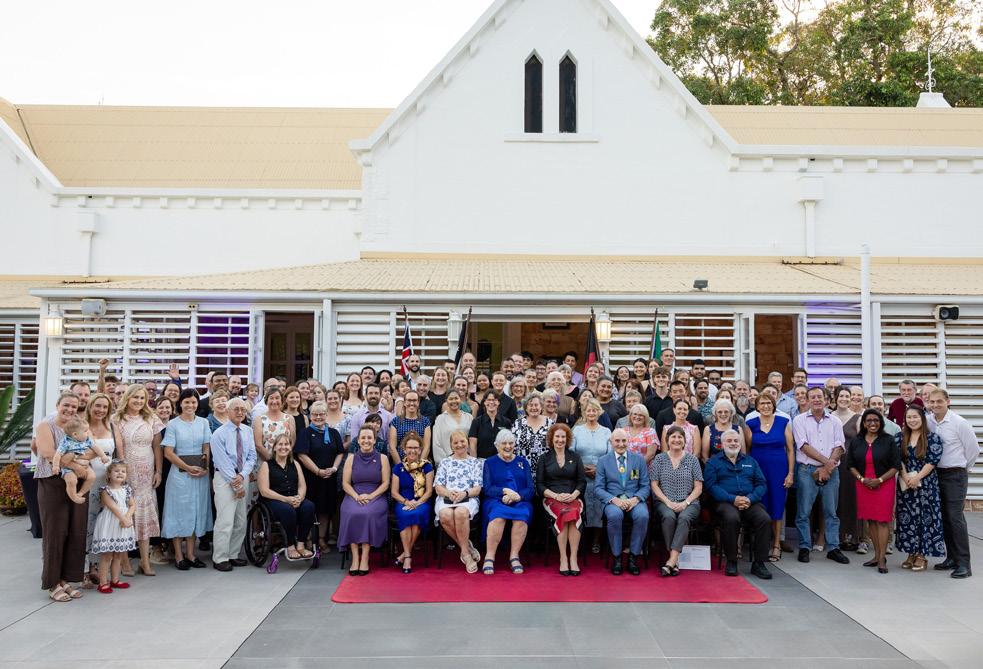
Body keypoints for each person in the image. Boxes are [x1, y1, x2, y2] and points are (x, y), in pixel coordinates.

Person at [34, 392, 87, 602]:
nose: (70, 409)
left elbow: (89, 448)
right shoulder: (45, 426)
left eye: (74, 406)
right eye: (66, 405)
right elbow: (48, 453)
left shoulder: (78, 426)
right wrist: (76, 465)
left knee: (75, 531)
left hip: (76, 482)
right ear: (58, 405)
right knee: (55, 533)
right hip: (52, 481)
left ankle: (66, 579)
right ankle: (52, 582)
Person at [791, 387, 850, 565]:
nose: (816, 400)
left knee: (831, 512)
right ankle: (804, 547)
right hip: (807, 471)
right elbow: (803, 446)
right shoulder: (799, 420)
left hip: (831, 472)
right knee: (803, 511)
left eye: (820, 397)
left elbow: (839, 445)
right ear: (808, 400)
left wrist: (828, 467)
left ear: (826, 400)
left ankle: (833, 548)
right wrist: (827, 463)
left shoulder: (835, 421)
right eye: (813, 397)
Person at [704, 430, 773, 579]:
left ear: (740, 443)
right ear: (722, 444)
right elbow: (711, 486)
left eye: (736, 441)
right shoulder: (713, 462)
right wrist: (732, 499)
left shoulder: (751, 461)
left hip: (750, 502)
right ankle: (732, 561)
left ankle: (759, 563)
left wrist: (750, 498)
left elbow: (761, 484)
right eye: (729, 441)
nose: (733, 443)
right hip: (725, 503)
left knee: (764, 519)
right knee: (731, 518)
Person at [113, 385, 165, 576]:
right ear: (127, 398)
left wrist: (158, 471)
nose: (138, 401)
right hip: (127, 470)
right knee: (126, 513)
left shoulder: (152, 418)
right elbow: (119, 448)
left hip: (147, 471)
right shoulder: (117, 419)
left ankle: (145, 561)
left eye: (142, 398)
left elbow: (157, 446)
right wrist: (122, 472)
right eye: (135, 397)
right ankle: (125, 561)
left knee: (144, 516)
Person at [926, 389, 978, 579]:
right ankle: (952, 558)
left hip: (955, 474)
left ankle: (964, 564)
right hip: (935, 474)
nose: (935, 405)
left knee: (955, 518)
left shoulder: (959, 423)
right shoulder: (929, 421)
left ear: (948, 401)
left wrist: (963, 468)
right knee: (944, 517)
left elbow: (973, 450)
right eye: (932, 402)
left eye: (939, 401)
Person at [847, 409, 901, 573]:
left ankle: (882, 559)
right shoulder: (857, 441)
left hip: (884, 483)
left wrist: (879, 480)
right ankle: (877, 556)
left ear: (881, 423)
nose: (872, 423)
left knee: (882, 521)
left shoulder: (888, 440)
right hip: (863, 484)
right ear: (864, 423)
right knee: (870, 520)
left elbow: (895, 465)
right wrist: (862, 479)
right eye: (869, 420)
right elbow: (850, 464)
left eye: (876, 420)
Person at [895, 406, 945, 572]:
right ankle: (911, 553)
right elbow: (897, 459)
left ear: (922, 418)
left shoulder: (932, 438)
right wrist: (905, 476)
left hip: (926, 485)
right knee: (908, 519)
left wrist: (917, 478)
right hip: (906, 485)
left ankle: (922, 555)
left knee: (926, 519)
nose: (912, 420)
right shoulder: (899, 437)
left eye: (915, 417)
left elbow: (932, 461)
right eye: (909, 417)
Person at [209, 398, 257, 571]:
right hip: (225, 479)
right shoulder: (218, 434)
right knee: (225, 520)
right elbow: (221, 462)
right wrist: (236, 483)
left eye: (242, 409)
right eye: (236, 409)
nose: (240, 412)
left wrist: (242, 475)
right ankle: (220, 558)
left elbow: (252, 456)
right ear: (228, 411)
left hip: (242, 477)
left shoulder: (248, 431)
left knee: (240, 520)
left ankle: (233, 554)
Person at [746, 394, 794, 562]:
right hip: (758, 470)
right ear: (757, 406)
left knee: (777, 506)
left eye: (769, 403)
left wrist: (790, 473)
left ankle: (776, 544)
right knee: (761, 505)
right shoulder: (751, 424)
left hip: (779, 471)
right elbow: (747, 450)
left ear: (774, 405)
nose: (766, 406)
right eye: (762, 403)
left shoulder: (783, 422)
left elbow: (790, 450)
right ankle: (762, 544)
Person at [596, 428, 650, 575]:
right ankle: (617, 557)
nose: (621, 444)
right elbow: (598, 488)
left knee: (643, 516)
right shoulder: (603, 461)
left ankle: (633, 557)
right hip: (613, 500)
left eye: (624, 440)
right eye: (617, 441)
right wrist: (614, 500)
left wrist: (635, 499)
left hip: (635, 499)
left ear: (629, 441)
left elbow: (645, 485)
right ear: (611, 442)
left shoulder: (639, 459)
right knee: (615, 515)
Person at [650, 426, 703, 576]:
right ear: (667, 440)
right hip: (664, 501)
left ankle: (672, 560)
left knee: (684, 517)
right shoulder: (659, 459)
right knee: (669, 517)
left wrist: (685, 503)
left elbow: (698, 487)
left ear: (685, 441)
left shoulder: (692, 459)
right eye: (673, 437)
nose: (676, 440)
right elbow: (654, 485)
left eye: (680, 437)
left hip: (689, 502)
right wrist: (667, 502)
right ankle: (674, 561)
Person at [339, 426, 391, 575]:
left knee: (368, 514)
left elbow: (385, 483)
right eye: (363, 438)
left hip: (376, 495)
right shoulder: (351, 459)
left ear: (374, 440)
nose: (366, 440)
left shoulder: (383, 458)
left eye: (369, 437)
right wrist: (356, 496)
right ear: (358, 440)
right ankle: (355, 557)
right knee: (351, 513)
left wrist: (370, 496)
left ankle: (365, 556)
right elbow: (345, 484)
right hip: (354, 494)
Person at [480, 429, 534, 575]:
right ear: (497, 445)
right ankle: (490, 556)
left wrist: (517, 496)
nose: (508, 446)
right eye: (504, 443)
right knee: (498, 515)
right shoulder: (489, 462)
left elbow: (530, 489)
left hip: (520, 500)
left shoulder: (523, 462)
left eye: (511, 443)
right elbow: (487, 489)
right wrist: (504, 491)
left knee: (522, 516)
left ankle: (514, 556)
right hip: (496, 500)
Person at [536, 423, 586, 576]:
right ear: (552, 438)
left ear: (567, 439)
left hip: (573, 496)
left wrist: (574, 495)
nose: (560, 440)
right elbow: (540, 485)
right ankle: (563, 557)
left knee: (573, 512)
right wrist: (555, 495)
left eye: (563, 437)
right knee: (564, 512)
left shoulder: (575, 457)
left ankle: (573, 558)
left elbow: (582, 481)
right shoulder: (544, 458)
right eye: (557, 436)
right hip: (551, 498)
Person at [295, 401, 345, 551]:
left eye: (321, 414)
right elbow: (302, 455)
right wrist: (317, 471)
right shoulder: (305, 433)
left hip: (329, 478)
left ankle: (321, 539)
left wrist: (334, 468)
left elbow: (340, 452)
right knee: (309, 509)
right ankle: (308, 539)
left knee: (325, 510)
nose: (318, 417)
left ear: (326, 415)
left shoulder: (334, 433)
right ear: (310, 416)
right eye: (315, 414)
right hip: (310, 478)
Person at [258, 433, 316, 560]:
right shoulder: (267, 465)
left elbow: (302, 485)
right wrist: (286, 499)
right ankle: (290, 546)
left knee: (309, 507)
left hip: (294, 498)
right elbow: (264, 491)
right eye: (280, 444)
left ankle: (301, 544)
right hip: (274, 500)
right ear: (274, 447)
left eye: (286, 444)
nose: (283, 447)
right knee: (288, 510)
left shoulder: (295, 464)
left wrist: (299, 498)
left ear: (290, 447)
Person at [81, 393, 119, 586]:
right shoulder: (82, 426)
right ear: (90, 406)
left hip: (107, 482)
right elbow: (77, 453)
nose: (101, 410)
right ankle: (83, 569)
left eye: (105, 407)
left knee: (101, 525)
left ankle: (96, 566)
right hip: (87, 480)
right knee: (85, 525)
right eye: (97, 406)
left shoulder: (112, 426)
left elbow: (119, 455)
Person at [433, 430, 484, 573]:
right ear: (451, 445)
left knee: (460, 513)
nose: (459, 445)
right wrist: (448, 493)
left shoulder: (475, 462)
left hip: (468, 497)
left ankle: (465, 552)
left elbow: (477, 488)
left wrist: (464, 493)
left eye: (462, 441)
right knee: (445, 515)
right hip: (447, 497)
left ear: (467, 442)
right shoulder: (445, 462)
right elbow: (438, 487)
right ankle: (466, 550)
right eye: (455, 442)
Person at [571, 398, 612, 554]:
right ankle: (582, 539)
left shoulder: (606, 432)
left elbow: (610, 455)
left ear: (599, 412)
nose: (591, 413)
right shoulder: (577, 431)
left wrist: (598, 470)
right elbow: (571, 454)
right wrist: (583, 469)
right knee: (583, 506)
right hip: (580, 477)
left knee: (600, 507)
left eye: (594, 410)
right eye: (588, 410)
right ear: (584, 412)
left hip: (601, 477)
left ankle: (596, 540)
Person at [390, 433, 434, 574]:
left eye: (416, 448)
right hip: (403, 501)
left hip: (422, 501)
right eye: (409, 447)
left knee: (416, 515)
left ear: (420, 450)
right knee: (405, 515)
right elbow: (394, 492)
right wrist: (406, 502)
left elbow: (429, 491)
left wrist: (417, 503)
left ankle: (405, 555)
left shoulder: (427, 466)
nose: (412, 450)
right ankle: (408, 555)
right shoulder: (398, 468)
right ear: (404, 449)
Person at [90, 461, 136, 593]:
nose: (120, 473)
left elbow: (132, 505)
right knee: (107, 555)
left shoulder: (127, 489)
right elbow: (112, 507)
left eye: (123, 471)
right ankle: (103, 582)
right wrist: (123, 519)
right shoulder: (105, 490)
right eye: (116, 471)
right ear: (109, 474)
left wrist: (127, 517)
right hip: (110, 523)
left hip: (123, 523)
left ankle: (115, 580)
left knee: (119, 554)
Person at [53, 417, 109, 504]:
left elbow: (96, 447)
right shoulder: (66, 442)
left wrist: (103, 456)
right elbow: (57, 455)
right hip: (69, 468)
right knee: (71, 481)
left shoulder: (87, 440)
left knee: (92, 477)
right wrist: (56, 466)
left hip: (85, 466)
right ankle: (74, 497)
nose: (88, 433)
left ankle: (81, 493)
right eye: (85, 431)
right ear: (75, 434)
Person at [511, 392, 552, 472]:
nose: (533, 408)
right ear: (526, 408)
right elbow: (512, 445)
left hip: (545, 469)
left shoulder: (550, 423)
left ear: (541, 407)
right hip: (521, 468)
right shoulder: (518, 423)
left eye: (536, 405)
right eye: (530, 405)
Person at [389, 390, 432, 463]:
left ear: (418, 403)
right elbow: (392, 447)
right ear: (404, 403)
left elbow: (426, 447)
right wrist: (400, 465)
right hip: (400, 463)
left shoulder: (425, 422)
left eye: (414, 400)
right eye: (409, 400)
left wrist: (419, 465)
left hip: (420, 463)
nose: (412, 403)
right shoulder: (395, 421)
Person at [432, 390, 473, 463]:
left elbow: (473, 441)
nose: (454, 401)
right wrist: (445, 462)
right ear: (446, 401)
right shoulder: (440, 419)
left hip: (467, 461)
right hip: (447, 462)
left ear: (460, 399)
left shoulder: (469, 417)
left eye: (456, 398)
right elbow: (436, 443)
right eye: (451, 399)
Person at [253, 389, 294, 462]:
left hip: (285, 460)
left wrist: (282, 458)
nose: (274, 401)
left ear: (282, 400)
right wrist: (273, 461)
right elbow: (258, 445)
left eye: (277, 398)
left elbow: (292, 441)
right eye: (271, 398)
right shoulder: (259, 419)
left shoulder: (289, 418)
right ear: (266, 401)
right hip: (266, 461)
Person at [469, 392, 513, 459]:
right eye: (489, 400)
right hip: (482, 461)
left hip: (501, 460)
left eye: (494, 400)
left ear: (498, 402)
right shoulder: (476, 422)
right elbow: (473, 447)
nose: (491, 402)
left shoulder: (506, 422)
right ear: (484, 402)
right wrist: (474, 462)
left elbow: (510, 444)